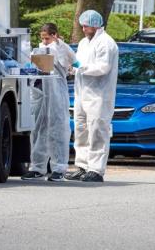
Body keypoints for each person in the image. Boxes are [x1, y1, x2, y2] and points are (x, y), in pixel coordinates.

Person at [65, 10, 118, 183]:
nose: (83, 27)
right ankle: (82, 166)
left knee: (97, 131)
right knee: (81, 130)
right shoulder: (83, 43)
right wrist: (72, 69)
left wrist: (80, 68)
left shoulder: (106, 43)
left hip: (99, 96)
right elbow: (78, 63)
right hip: (82, 94)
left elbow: (102, 68)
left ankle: (96, 169)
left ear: (95, 25)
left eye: (86, 25)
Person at [21, 23, 76, 182]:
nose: (44, 41)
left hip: (57, 93)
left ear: (55, 35)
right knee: (38, 130)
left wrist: (78, 68)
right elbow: (30, 67)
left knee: (58, 129)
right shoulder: (37, 50)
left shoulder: (63, 48)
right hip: (39, 93)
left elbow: (74, 63)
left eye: (47, 38)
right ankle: (37, 167)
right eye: (42, 38)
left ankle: (59, 167)